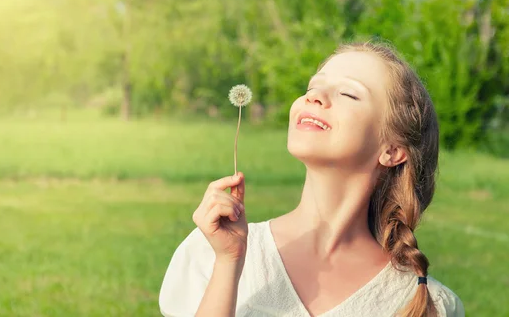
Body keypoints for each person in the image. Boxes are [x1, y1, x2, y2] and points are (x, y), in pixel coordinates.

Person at [159, 41, 464, 316]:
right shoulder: (212, 252)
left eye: (348, 93)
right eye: (311, 87)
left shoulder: (427, 304)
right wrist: (229, 263)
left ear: (393, 150)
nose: (315, 96)